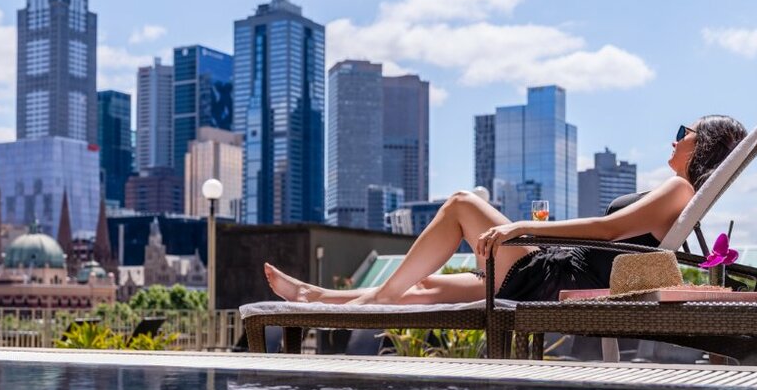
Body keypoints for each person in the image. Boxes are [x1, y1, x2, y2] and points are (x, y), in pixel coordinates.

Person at [266, 115, 747, 305]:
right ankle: (319, 297)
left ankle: (372, 302)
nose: (675, 135)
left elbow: (606, 228)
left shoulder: (679, 189)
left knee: (459, 203)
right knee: (429, 284)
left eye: (685, 129)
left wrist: (521, 228)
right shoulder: (684, 197)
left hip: (556, 273)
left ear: (701, 143)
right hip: (558, 272)